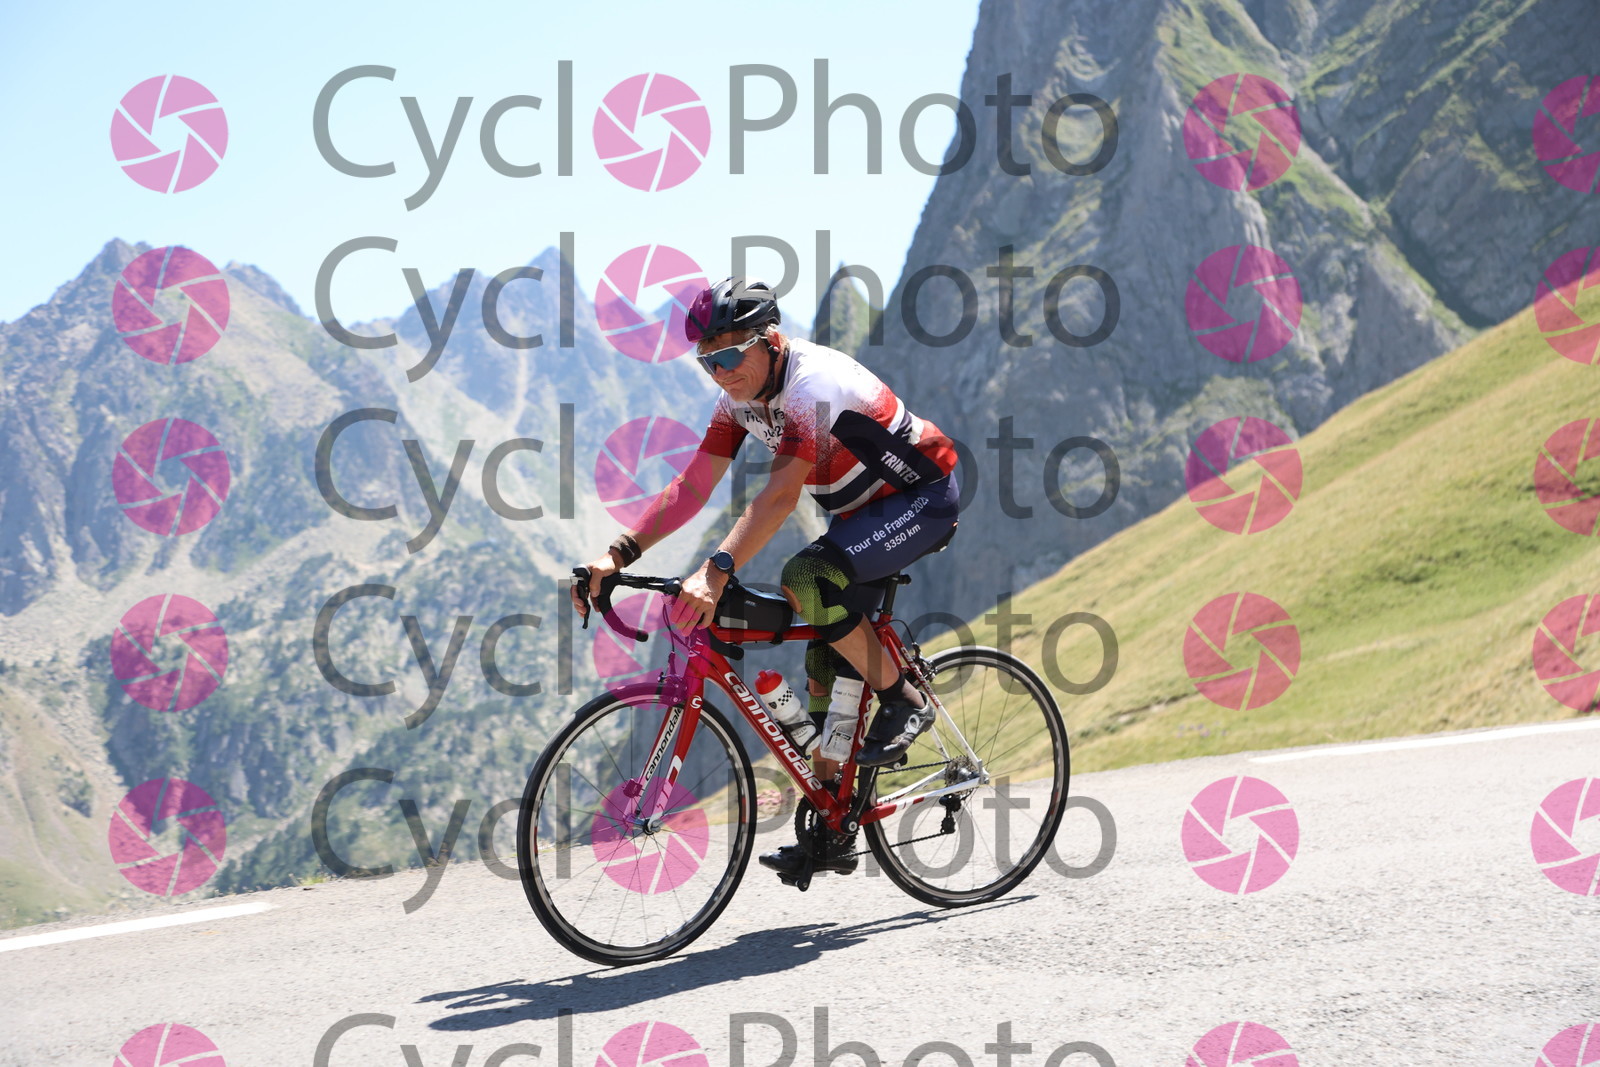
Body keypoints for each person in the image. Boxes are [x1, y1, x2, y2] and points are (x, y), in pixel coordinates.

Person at [572, 276, 960, 880]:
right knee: (825, 662)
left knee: (805, 577)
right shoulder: (739, 400)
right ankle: (834, 826)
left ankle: (903, 700)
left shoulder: (812, 386)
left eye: (729, 356)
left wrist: (716, 570)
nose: (720, 373)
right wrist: (617, 555)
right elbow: (693, 485)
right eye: (707, 362)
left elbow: (780, 496)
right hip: (860, 516)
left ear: (769, 340)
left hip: (921, 499)